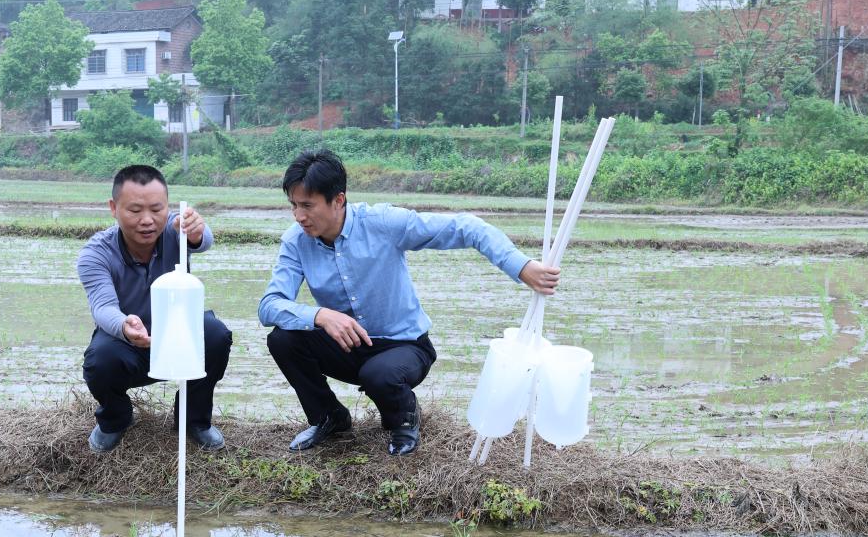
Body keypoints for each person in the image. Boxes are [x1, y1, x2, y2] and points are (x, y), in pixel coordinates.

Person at [258, 150, 561, 456]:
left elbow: (467, 227)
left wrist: (522, 267)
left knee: (380, 374)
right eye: (294, 206)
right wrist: (321, 315)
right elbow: (269, 305)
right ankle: (328, 417)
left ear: (338, 200)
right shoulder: (296, 242)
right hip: (349, 347)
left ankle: (404, 419)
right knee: (283, 339)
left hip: (404, 346)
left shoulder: (383, 223)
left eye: (307, 206)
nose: (299, 216)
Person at [77, 165, 232, 453]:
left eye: (156, 209)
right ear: (114, 208)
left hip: (178, 337)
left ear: (168, 207)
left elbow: (203, 240)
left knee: (215, 334)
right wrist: (126, 326)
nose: (147, 220)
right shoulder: (95, 253)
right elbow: (102, 307)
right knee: (100, 360)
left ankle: (194, 420)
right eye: (135, 210)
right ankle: (116, 419)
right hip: (128, 343)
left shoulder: (177, 231)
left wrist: (196, 231)